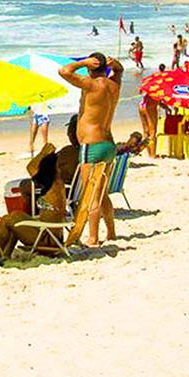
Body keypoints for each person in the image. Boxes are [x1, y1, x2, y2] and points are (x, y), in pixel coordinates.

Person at [59, 52, 122, 246]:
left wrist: (83, 62)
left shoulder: (90, 84)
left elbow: (64, 71)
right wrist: (115, 63)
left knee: (91, 193)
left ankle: (93, 237)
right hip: (108, 144)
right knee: (102, 193)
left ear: (90, 68)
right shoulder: (114, 85)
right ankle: (111, 233)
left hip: (92, 145)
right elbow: (120, 69)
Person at [138, 92, 159, 159]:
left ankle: (149, 153)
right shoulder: (159, 88)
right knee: (152, 132)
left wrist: (166, 107)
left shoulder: (151, 86)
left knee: (146, 131)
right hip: (150, 105)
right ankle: (152, 155)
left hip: (142, 105)